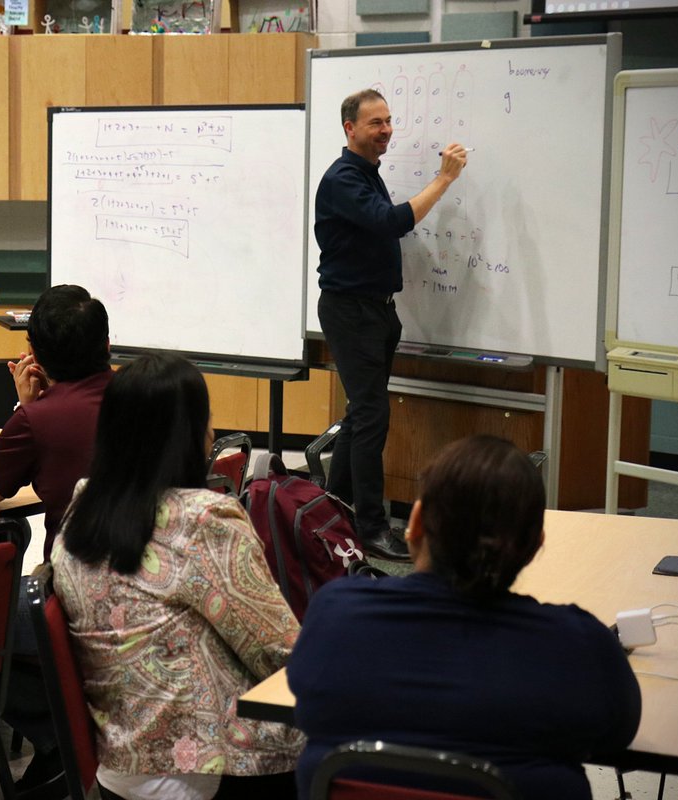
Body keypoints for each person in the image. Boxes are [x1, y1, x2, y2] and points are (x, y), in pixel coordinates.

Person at [287, 435, 641, 800]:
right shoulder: (575, 646)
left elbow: (307, 707)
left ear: (416, 523)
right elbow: (617, 734)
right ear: (535, 546)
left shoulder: (335, 617)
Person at [52, 352, 304, 800]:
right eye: (207, 421)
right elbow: (283, 654)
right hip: (213, 765)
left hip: (120, 761)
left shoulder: (80, 510)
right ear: (187, 437)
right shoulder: (203, 522)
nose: (212, 432)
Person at [314, 88, 468, 560]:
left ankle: (333, 509)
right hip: (351, 310)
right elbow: (393, 221)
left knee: (361, 416)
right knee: (371, 416)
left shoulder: (366, 173)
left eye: (388, 121)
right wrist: (444, 179)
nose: (386, 131)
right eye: (375, 123)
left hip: (376, 311)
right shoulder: (343, 179)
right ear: (350, 129)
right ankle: (371, 527)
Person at [0, 283, 113, 560]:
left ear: (35, 356)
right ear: (107, 344)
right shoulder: (146, 397)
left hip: (73, 589)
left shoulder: (35, 420)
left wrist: (27, 409)